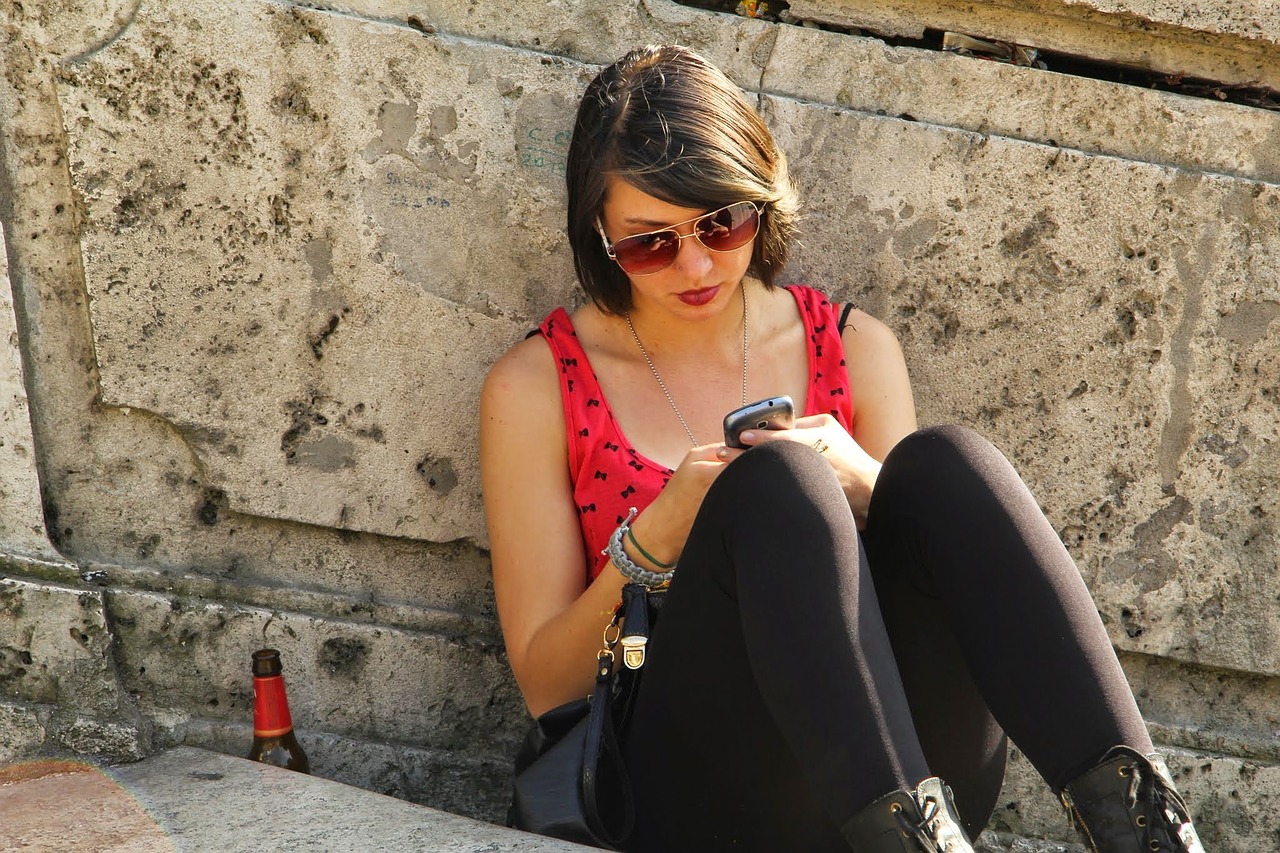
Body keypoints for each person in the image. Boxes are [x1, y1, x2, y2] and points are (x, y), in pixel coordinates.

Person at [479, 44, 1206, 853]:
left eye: (722, 222)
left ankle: (1154, 837)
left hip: (891, 777)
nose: (695, 264)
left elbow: (932, 598)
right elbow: (547, 686)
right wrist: (661, 534)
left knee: (943, 465)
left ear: (763, 199)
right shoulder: (541, 382)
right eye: (651, 243)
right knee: (776, 484)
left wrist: (867, 484)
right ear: (599, 237)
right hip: (689, 793)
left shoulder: (855, 347)